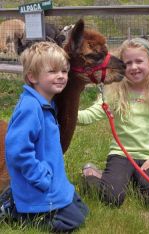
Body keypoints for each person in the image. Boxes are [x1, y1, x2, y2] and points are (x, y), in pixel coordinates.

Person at [78, 38, 149, 207]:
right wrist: (66, 113)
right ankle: (91, 175)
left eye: (139, 61)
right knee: (112, 198)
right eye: (128, 63)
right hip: (121, 155)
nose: (133, 67)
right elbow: (90, 115)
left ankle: (130, 179)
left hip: (148, 157)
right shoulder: (115, 92)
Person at [2, 41, 88, 232]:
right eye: (53, 71)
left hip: (52, 179)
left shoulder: (46, 104)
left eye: (64, 72)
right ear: (32, 76)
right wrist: (40, 177)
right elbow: (17, 151)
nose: (61, 76)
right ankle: (13, 208)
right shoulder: (30, 109)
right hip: (38, 183)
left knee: (81, 210)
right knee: (70, 223)